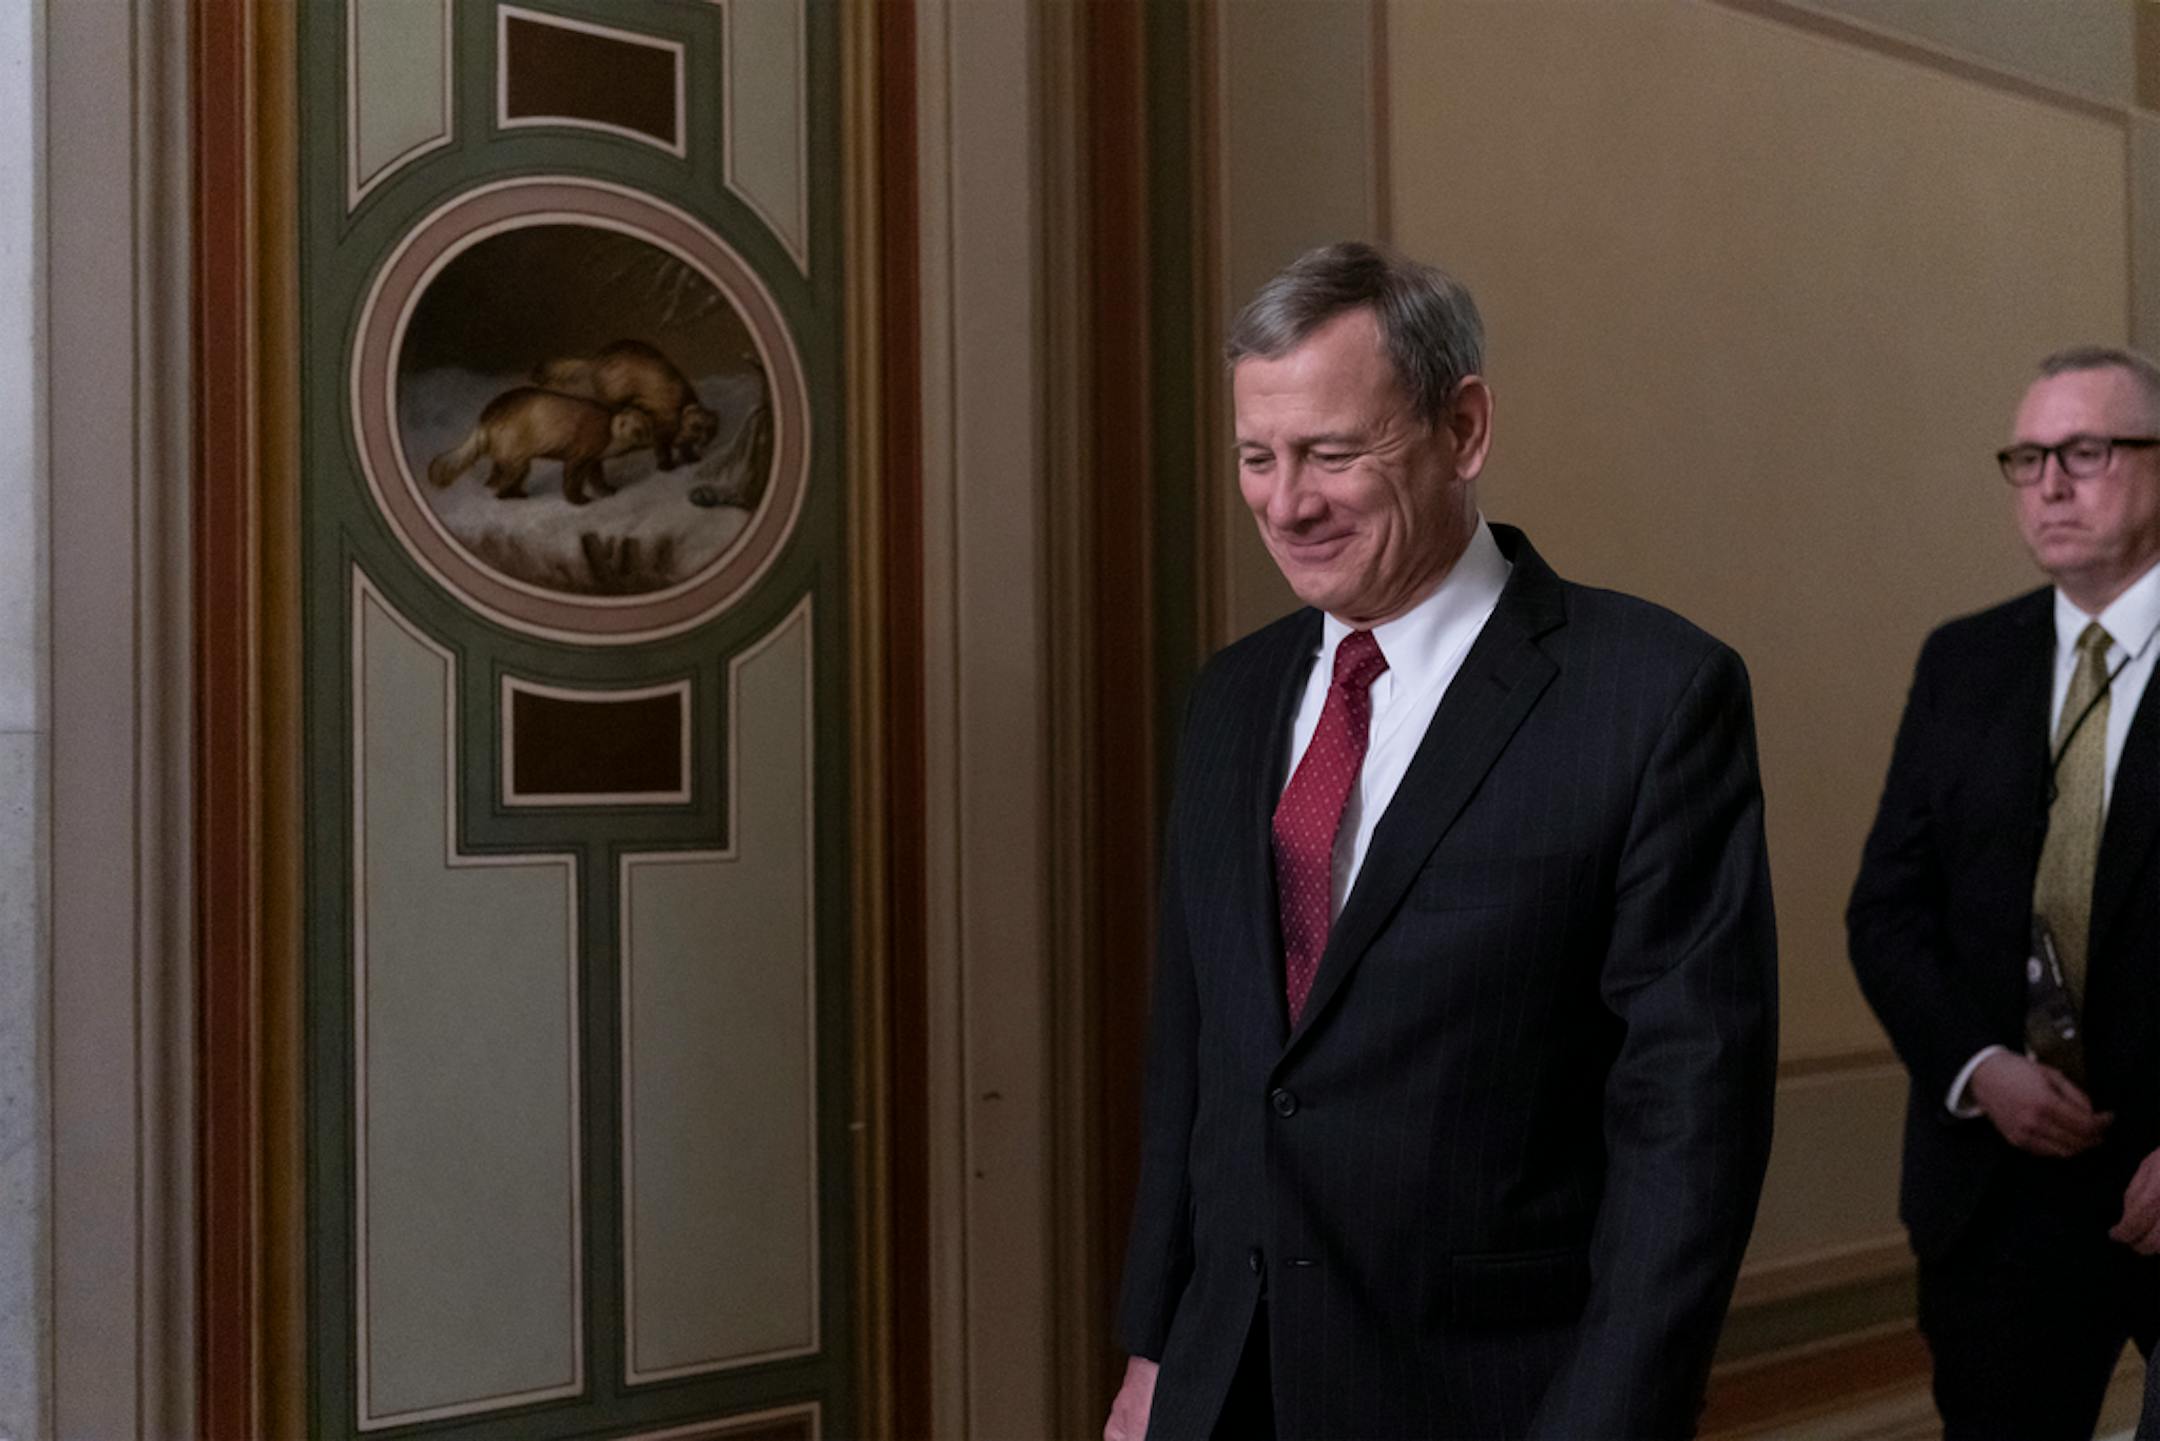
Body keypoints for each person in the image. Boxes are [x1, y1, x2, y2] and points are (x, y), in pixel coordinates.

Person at [1103, 242, 1778, 1441]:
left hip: (1495, 1393)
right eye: (1258, 456)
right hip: (1227, 1384)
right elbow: (1197, 1058)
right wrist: (1159, 1349)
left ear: (1462, 430)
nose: (1285, 500)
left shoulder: (1652, 696)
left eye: (1331, 453)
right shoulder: (1231, 699)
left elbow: (1691, 1120)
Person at [1849, 346, 2160, 1440]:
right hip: (1996, 1194)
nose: (2051, 485)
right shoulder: (1965, 660)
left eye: (2087, 450)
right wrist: (1980, 1069)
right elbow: (1886, 911)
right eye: (2027, 458)